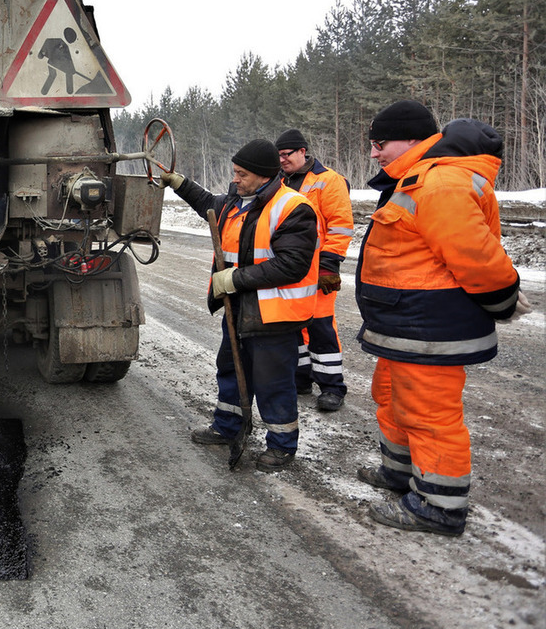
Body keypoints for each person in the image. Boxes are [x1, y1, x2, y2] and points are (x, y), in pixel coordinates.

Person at [355, 101, 530, 536]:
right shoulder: (418, 177)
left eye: (380, 143)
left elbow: (472, 253)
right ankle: (400, 473)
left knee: (429, 414)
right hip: (404, 324)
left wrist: (503, 298)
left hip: (426, 326)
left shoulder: (439, 182)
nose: (374, 153)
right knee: (392, 398)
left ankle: (439, 506)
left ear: (413, 139)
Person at [159, 139, 319, 472]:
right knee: (231, 368)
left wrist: (234, 279)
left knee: (273, 382)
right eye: (234, 173)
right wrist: (179, 183)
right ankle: (227, 426)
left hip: (274, 315)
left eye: (241, 174)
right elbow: (207, 203)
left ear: (263, 176)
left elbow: (292, 264)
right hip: (240, 310)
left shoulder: (293, 207)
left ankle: (281, 445)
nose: (235, 179)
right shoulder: (237, 201)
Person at [275, 128, 354, 412]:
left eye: (287, 154)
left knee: (321, 328)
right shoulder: (280, 182)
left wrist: (330, 265)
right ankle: (302, 378)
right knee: (293, 327)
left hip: (318, 269)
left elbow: (341, 226)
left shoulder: (328, 181)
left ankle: (332, 386)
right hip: (290, 270)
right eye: (279, 155)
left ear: (302, 152)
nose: (282, 160)